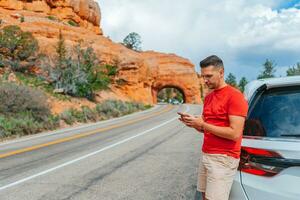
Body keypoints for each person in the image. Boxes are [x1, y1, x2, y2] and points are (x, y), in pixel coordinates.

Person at [179, 55, 248, 200]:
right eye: (203, 76)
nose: (205, 80)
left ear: (221, 72)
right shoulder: (209, 97)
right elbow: (207, 127)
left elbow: (234, 133)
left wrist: (202, 124)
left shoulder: (234, 96)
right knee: (205, 196)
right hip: (207, 154)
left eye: (209, 76)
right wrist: (193, 123)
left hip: (224, 158)